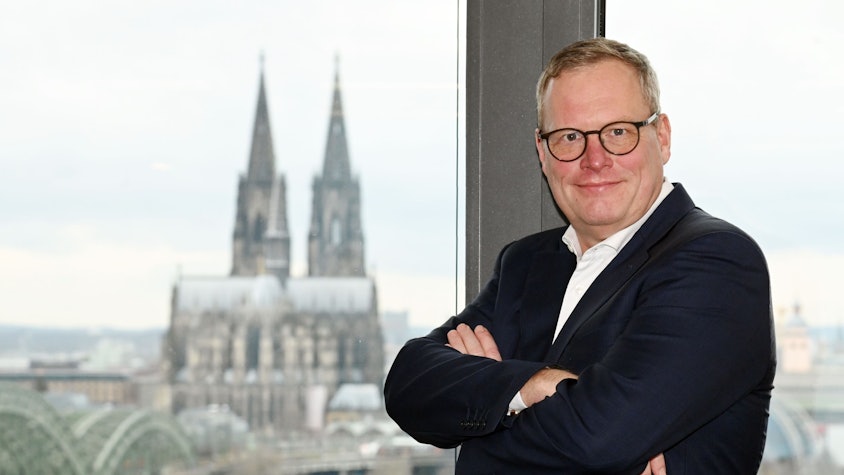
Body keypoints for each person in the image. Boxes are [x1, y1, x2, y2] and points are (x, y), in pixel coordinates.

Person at [383, 37, 775, 474]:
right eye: (570, 137)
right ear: (542, 151)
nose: (595, 159)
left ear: (662, 137)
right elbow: (408, 385)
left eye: (618, 132)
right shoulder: (526, 263)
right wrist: (534, 385)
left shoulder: (715, 262)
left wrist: (490, 411)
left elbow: (599, 437)